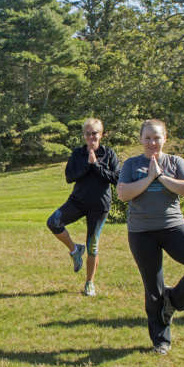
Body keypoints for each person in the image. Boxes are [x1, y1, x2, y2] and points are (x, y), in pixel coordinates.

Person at [117, 119, 184, 355]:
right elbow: (123, 193)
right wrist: (149, 178)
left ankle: (176, 300)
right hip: (141, 232)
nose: (152, 142)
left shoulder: (175, 162)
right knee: (153, 288)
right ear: (140, 139)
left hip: (173, 227)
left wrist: (161, 177)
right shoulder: (132, 164)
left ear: (165, 138)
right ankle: (161, 341)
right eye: (148, 138)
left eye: (157, 137)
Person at [46, 118, 120, 296]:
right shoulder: (77, 154)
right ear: (84, 136)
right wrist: (88, 165)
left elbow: (116, 178)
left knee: (93, 246)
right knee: (53, 222)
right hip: (77, 202)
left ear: (101, 134)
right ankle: (74, 249)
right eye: (88, 133)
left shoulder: (109, 154)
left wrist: (96, 165)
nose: (91, 136)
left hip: (100, 205)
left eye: (95, 133)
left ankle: (89, 283)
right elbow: (69, 177)